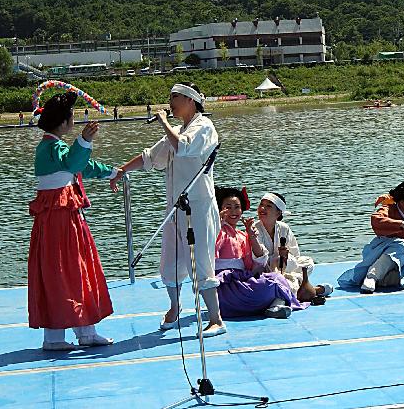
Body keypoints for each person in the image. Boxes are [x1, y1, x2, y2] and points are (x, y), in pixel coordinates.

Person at [118, 82, 226, 336]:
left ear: (191, 100)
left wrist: (163, 122)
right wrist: (122, 170)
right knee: (171, 260)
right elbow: (149, 157)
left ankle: (216, 318)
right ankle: (174, 307)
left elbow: (184, 146)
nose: (171, 101)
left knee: (200, 262)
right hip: (175, 207)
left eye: (175, 97)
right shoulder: (176, 131)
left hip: (198, 207)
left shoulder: (204, 127)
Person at [28, 91, 123, 351]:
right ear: (65, 121)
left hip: (54, 220)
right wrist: (84, 140)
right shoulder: (56, 148)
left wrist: (114, 171)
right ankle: (83, 333)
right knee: (74, 269)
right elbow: (75, 162)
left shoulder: (48, 147)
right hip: (63, 221)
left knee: (57, 272)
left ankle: (59, 336)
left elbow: (82, 166)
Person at [214, 187, 305, 319]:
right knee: (276, 281)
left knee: (282, 276)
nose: (233, 211)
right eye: (228, 207)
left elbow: (255, 264)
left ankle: (276, 301)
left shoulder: (242, 234)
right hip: (227, 286)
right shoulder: (218, 231)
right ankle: (279, 301)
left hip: (242, 280)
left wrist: (251, 237)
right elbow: (211, 249)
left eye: (237, 207)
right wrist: (217, 224)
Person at [338, 179, 404, 293]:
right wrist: (402, 224)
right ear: (402, 202)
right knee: (402, 244)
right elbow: (376, 220)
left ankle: (386, 279)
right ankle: (371, 276)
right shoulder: (388, 209)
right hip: (380, 251)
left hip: (402, 256)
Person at [254, 192, 333, 300]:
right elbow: (257, 259)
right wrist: (276, 261)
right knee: (277, 279)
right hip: (264, 272)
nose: (262, 208)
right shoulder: (254, 229)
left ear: (278, 213)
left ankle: (294, 286)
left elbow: (295, 255)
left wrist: (286, 257)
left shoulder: (284, 228)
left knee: (307, 262)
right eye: (261, 204)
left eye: (268, 206)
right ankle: (314, 290)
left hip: (286, 269)